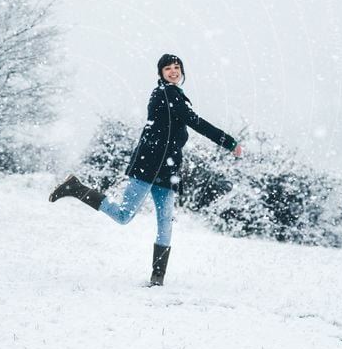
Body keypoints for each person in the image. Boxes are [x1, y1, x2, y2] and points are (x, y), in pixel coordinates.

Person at [49, 53, 242, 286]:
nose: (174, 71)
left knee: (165, 222)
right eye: (168, 68)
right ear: (160, 73)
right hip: (150, 166)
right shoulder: (166, 93)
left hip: (168, 169)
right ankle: (76, 188)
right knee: (123, 216)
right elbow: (197, 123)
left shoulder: (174, 95)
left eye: (177, 67)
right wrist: (229, 142)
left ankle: (157, 278)